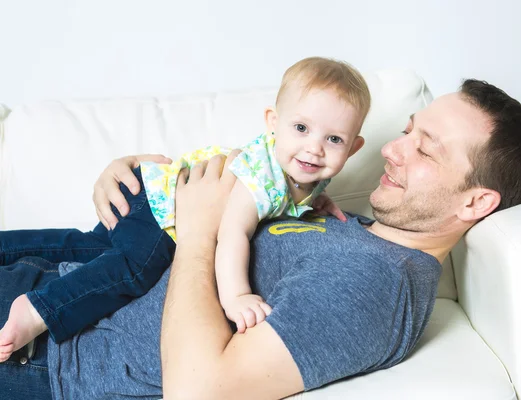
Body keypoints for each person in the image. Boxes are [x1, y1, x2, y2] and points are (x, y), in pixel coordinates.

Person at [0, 79, 521, 400]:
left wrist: (196, 232)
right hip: (56, 279)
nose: (392, 149)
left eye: (426, 149)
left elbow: (199, 390)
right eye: (408, 130)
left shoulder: (377, 284)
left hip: (43, 358)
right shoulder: (349, 229)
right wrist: (144, 183)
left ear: (475, 202)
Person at [0, 56, 370, 362]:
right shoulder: (264, 180)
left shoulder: (307, 174)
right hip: (165, 208)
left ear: (352, 148)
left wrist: (317, 202)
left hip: (155, 194)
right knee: (134, 269)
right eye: (301, 128)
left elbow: (302, 193)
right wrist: (236, 296)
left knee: (87, 249)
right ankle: (37, 311)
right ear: (273, 123)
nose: (315, 148)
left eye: (333, 139)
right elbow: (232, 233)